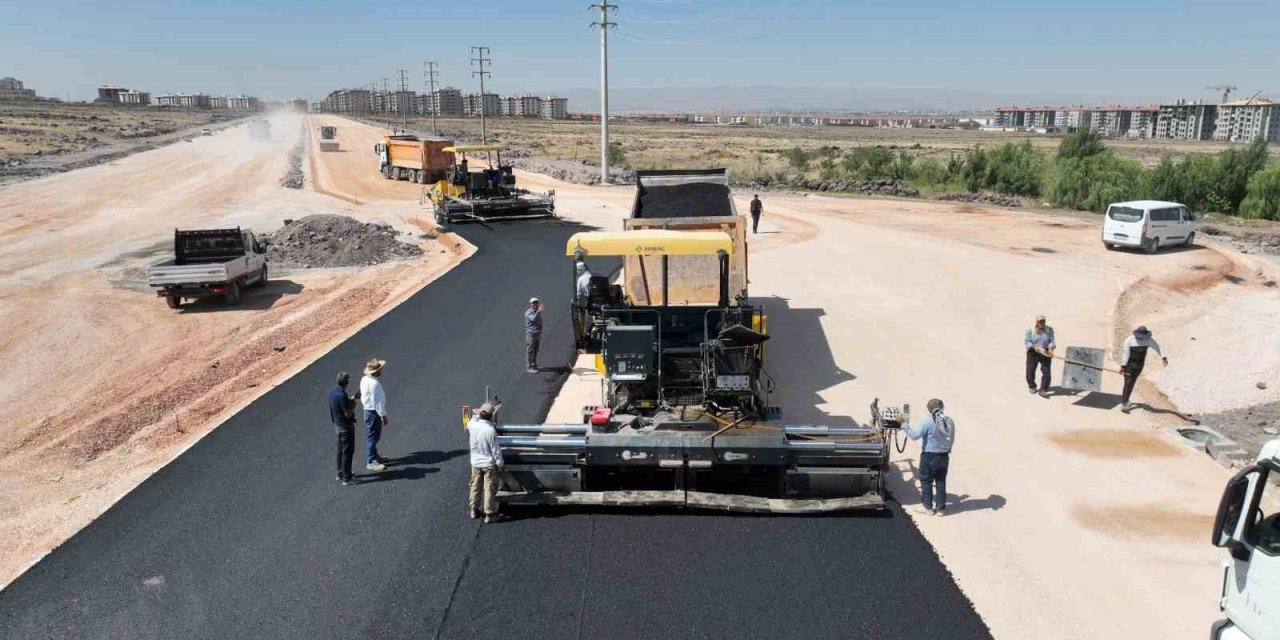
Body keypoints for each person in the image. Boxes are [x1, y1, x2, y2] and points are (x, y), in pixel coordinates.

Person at [902, 398, 956, 516]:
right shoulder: (950, 421)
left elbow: (914, 436)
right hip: (944, 456)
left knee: (926, 481)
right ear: (943, 408)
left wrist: (903, 424)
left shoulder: (927, 422)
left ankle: (928, 508)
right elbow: (951, 439)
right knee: (941, 481)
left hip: (929, 456)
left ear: (929, 410)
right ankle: (941, 509)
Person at [468, 402, 504, 523]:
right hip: (488, 464)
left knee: (475, 486)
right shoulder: (490, 431)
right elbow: (496, 451)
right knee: (489, 488)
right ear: (491, 416)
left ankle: (473, 509)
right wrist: (500, 464)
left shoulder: (472, 425)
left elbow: (470, 420)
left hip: (475, 463)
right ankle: (489, 514)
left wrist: (475, 413)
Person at [1120, 325, 1168, 413]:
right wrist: (1123, 366)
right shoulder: (1129, 340)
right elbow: (1125, 354)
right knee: (1128, 382)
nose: (1141, 339)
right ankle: (1124, 403)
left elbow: (1157, 347)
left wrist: (1163, 356)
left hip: (1139, 365)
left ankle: (1126, 401)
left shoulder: (1148, 340)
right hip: (1129, 365)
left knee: (1132, 382)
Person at [360, 358, 390, 470]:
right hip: (373, 413)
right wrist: (383, 415)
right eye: (380, 369)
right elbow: (377, 402)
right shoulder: (374, 384)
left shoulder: (364, 379)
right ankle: (371, 461)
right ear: (376, 371)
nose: (381, 371)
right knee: (372, 437)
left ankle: (375, 455)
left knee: (373, 436)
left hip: (368, 411)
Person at [328, 372, 358, 485]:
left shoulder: (333, 392)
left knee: (340, 451)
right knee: (348, 452)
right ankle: (347, 477)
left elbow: (337, 407)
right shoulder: (341, 395)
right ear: (346, 382)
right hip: (345, 427)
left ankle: (340, 473)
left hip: (337, 425)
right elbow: (347, 414)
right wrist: (353, 404)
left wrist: (350, 399)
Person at [1024, 315, 1056, 397]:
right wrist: (1034, 346)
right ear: (1037, 322)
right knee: (1030, 370)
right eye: (1040, 321)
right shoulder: (1030, 330)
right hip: (1033, 352)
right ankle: (1032, 386)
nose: (1042, 323)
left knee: (1046, 372)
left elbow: (1052, 341)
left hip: (1045, 351)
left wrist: (1050, 349)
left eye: (1043, 321)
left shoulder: (1049, 329)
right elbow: (1027, 342)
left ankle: (1043, 389)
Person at [524, 297, 543, 373]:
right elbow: (533, 319)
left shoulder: (537, 312)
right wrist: (538, 312)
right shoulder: (528, 313)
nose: (535, 304)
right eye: (533, 303)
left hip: (537, 334)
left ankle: (534, 365)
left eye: (536, 302)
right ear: (530, 304)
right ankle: (529, 367)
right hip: (530, 335)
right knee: (530, 351)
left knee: (536, 350)